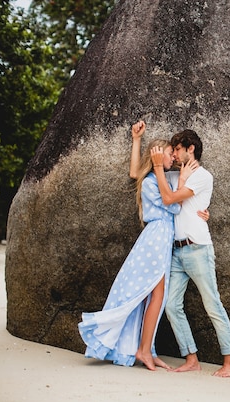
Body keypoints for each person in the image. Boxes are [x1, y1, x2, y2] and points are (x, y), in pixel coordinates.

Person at [78, 124, 200, 371]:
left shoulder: (162, 177)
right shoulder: (152, 181)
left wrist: (137, 139)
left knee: (156, 295)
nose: (172, 157)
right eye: (168, 153)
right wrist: (172, 174)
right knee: (156, 294)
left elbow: (135, 171)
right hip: (156, 238)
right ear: (156, 156)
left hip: (162, 238)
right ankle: (144, 350)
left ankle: (147, 348)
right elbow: (172, 205)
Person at [131, 123, 230, 377]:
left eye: (178, 149)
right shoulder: (174, 175)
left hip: (197, 248)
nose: (175, 154)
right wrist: (137, 140)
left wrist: (162, 171)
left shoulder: (203, 176)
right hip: (176, 251)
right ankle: (191, 358)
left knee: (212, 303)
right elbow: (138, 174)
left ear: (191, 149)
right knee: (170, 304)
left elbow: (169, 199)